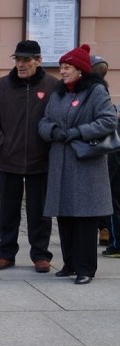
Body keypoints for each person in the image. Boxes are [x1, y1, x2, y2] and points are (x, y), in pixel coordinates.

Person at [38, 44, 118, 285]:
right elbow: (44, 121)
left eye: (67, 67)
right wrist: (53, 131)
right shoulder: (59, 93)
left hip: (86, 165)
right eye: (61, 67)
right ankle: (69, 263)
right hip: (61, 163)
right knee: (65, 217)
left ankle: (86, 269)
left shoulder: (96, 92)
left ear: (81, 70)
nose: (62, 71)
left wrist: (77, 132)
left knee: (85, 219)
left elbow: (108, 121)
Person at [0, 40, 59, 274]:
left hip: (40, 160)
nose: (21, 64)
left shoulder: (53, 86)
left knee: (40, 211)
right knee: (9, 211)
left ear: (38, 60)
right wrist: (0, 145)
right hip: (9, 159)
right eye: (18, 60)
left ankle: (41, 255)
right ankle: (6, 253)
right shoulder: (0, 86)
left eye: (26, 60)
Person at [90, 55, 116, 251]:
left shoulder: (95, 91)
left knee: (106, 194)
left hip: (104, 151)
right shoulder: (102, 89)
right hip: (109, 151)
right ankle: (106, 232)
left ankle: (107, 232)